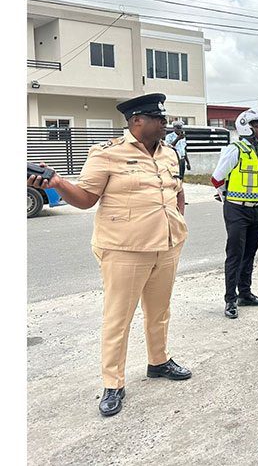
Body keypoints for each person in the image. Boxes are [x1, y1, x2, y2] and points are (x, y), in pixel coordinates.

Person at [27, 93, 192, 417]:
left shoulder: (170, 154)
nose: (164, 123)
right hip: (124, 251)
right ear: (136, 121)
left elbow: (178, 190)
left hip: (167, 246)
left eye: (164, 118)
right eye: (158, 118)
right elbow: (87, 198)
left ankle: (158, 362)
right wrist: (58, 182)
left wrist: (180, 222)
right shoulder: (107, 154)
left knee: (159, 312)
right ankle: (113, 382)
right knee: (118, 319)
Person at [211, 108, 258, 319]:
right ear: (246, 127)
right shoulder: (235, 149)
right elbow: (217, 178)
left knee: (250, 254)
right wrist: (225, 196)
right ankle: (230, 299)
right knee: (235, 255)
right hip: (237, 209)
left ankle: (244, 293)